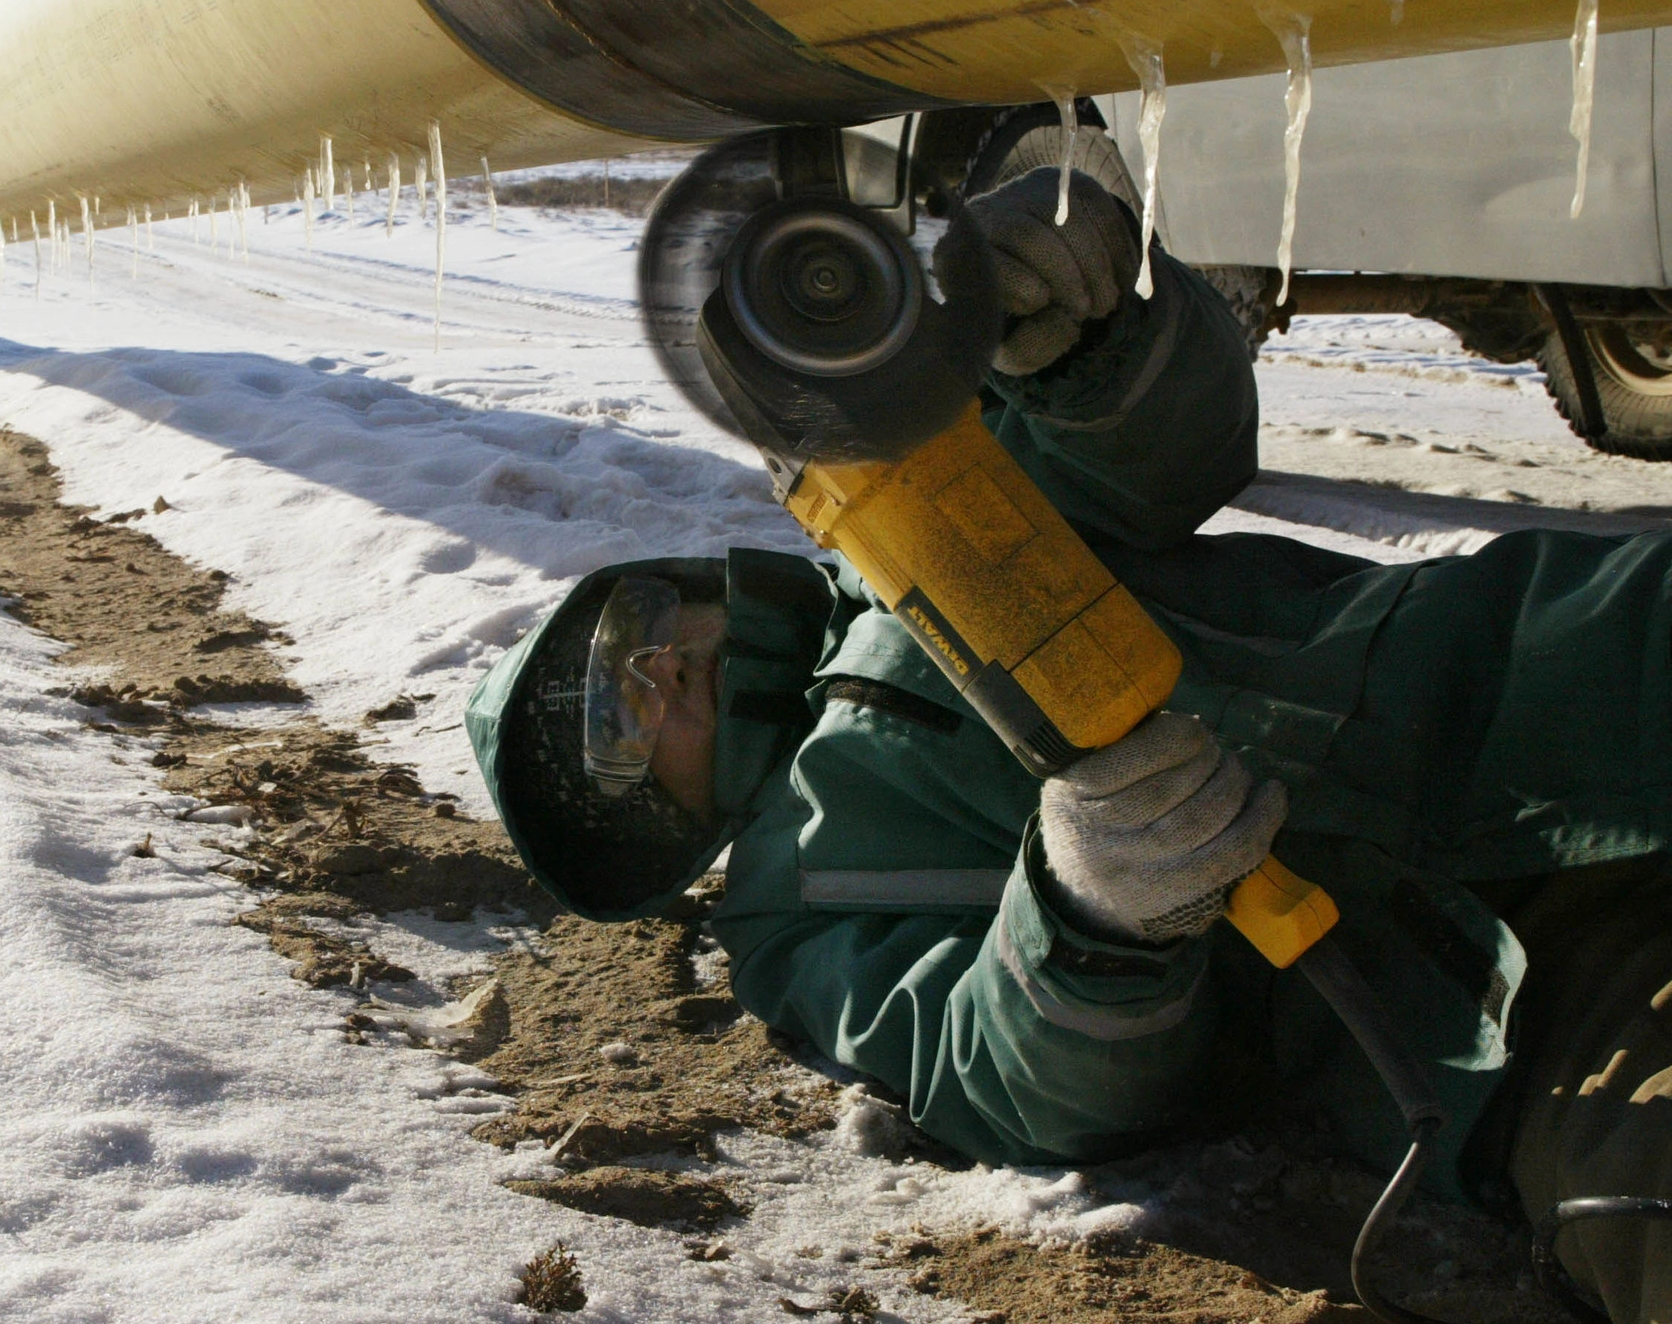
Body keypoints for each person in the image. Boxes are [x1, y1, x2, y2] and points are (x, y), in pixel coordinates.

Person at [465, 167, 1672, 1321]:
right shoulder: (790, 926)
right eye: (616, 723)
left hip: (1569, 679)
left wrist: (1076, 338)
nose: (656, 669)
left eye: (631, 631)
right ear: (646, 818)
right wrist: (1094, 916)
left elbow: (1160, 447)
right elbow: (999, 1074)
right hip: (1498, 1005)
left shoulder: (914, 508)